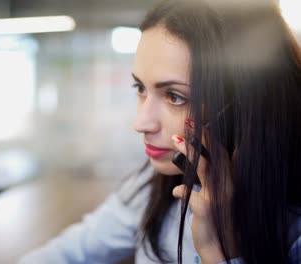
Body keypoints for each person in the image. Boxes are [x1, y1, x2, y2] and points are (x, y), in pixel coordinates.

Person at [19, 0, 301, 263]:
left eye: (175, 96)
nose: (141, 123)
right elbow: (69, 252)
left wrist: (220, 250)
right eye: (140, 88)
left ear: (246, 105)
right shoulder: (158, 189)